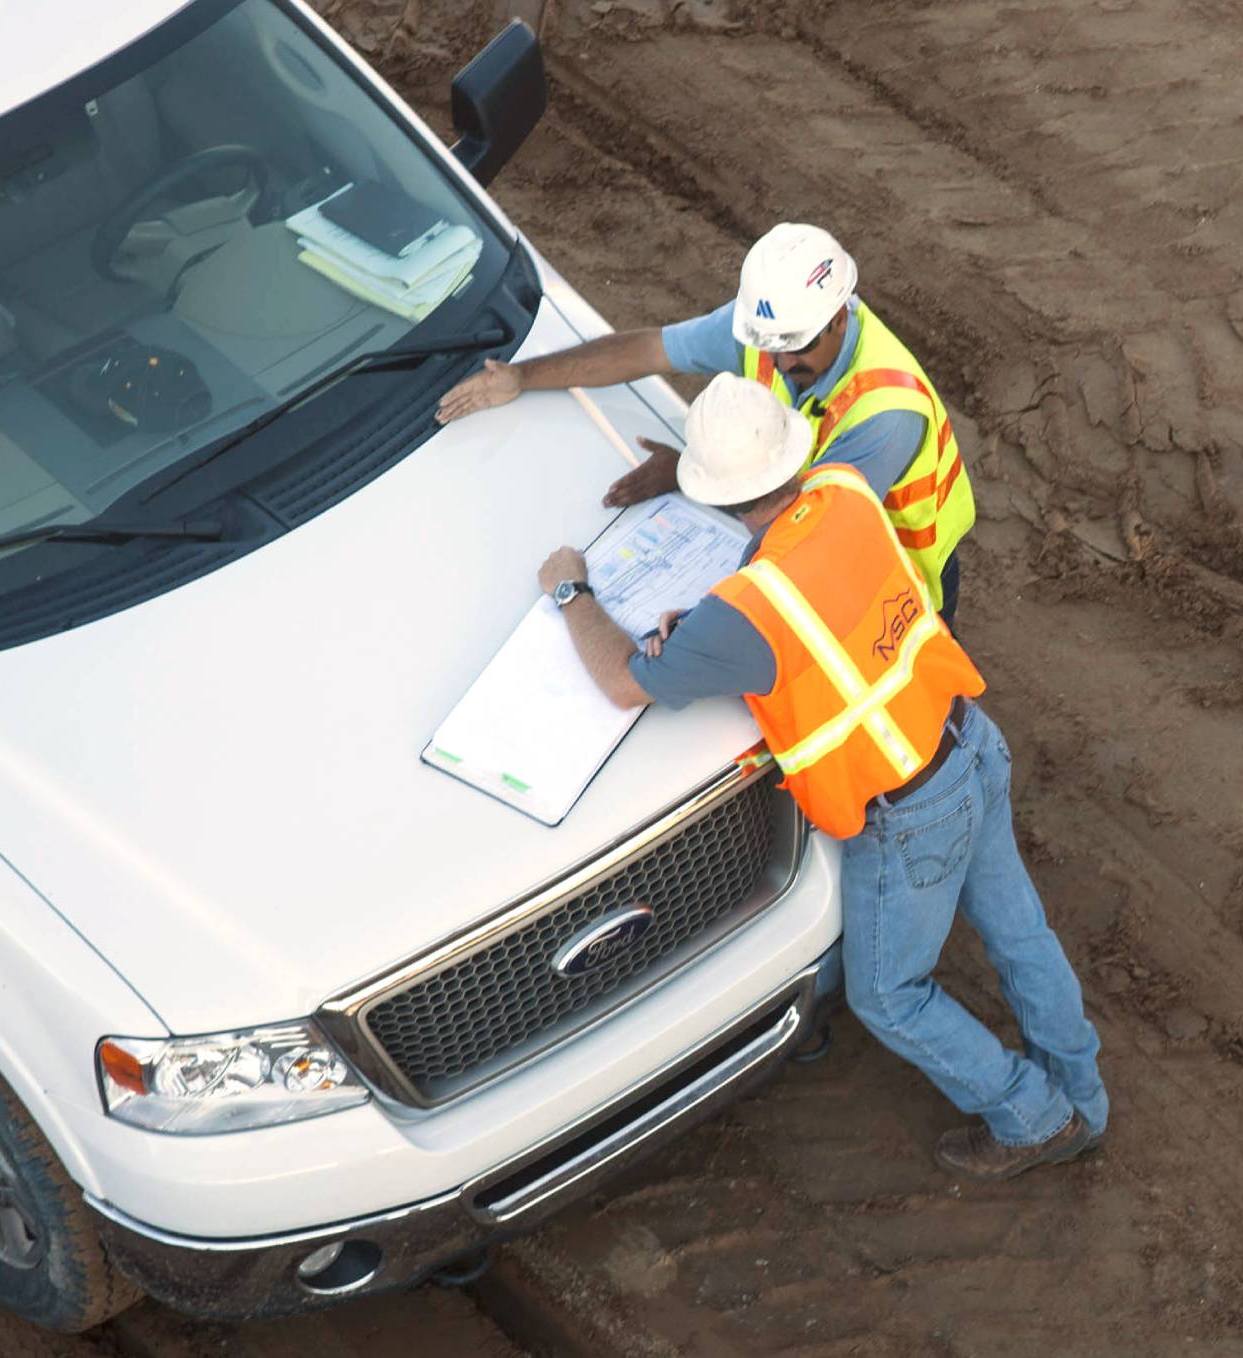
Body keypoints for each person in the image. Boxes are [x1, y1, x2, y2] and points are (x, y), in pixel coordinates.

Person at [535, 373, 1105, 1181]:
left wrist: (570, 590)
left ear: (717, 495)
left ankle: (1033, 1118)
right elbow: (816, 592)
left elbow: (625, 680)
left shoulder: (747, 611)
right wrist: (706, 628)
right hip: (970, 743)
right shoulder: (842, 488)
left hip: (911, 817)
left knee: (890, 998)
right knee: (1020, 935)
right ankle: (1083, 1093)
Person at [450, 222, 974, 629]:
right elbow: (649, 349)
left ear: (839, 316)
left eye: (798, 346)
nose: (783, 361)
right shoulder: (768, 327)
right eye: (773, 346)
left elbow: (808, 533)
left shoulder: (887, 412)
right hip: (833, 534)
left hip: (904, 573)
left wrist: (691, 473)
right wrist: (523, 377)